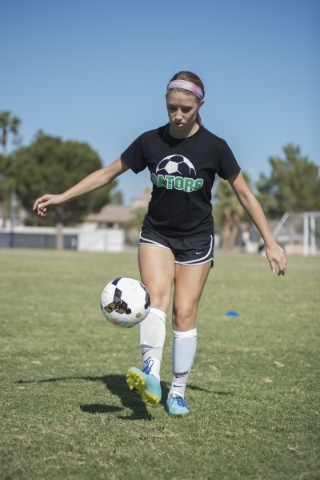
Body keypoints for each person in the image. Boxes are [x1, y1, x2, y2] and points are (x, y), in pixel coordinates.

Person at [33, 71, 287, 417]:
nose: (178, 116)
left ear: (200, 105)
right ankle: (151, 375)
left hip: (197, 238)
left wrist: (270, 242)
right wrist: (63, 196)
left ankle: (177, 393)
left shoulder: (216, 147)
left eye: (185, 109)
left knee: (184, 314)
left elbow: (244, 193)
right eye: (172, 108)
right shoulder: (149, 142)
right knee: (157, 299)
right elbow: (108, 173)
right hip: (157, 233)